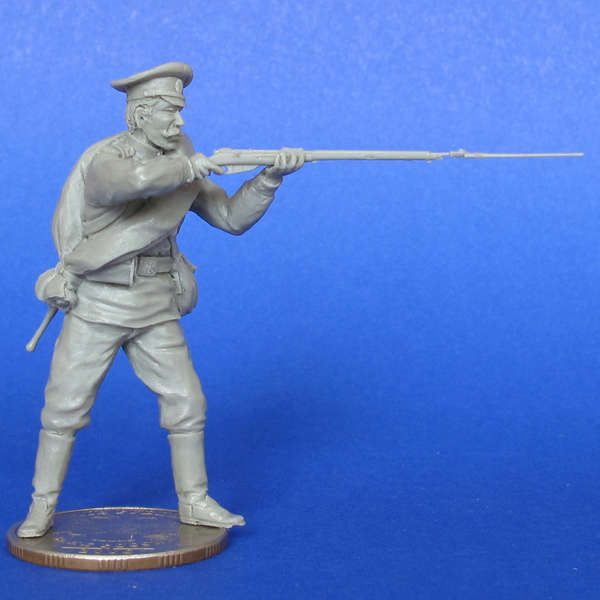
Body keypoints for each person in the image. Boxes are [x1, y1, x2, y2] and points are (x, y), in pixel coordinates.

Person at [18, 62, 304, 538]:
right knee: (64, 409)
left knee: (187, 402)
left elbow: (231, 218)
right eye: (170, 111)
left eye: (180, 111)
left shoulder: (183, 160)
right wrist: (190, 166)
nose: (179, 122)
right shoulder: (109, 158)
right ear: (140, 114)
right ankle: (41, 507)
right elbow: (126, 184)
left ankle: (194, 501)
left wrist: (269, 179)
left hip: (155, 303)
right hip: (98, 304)